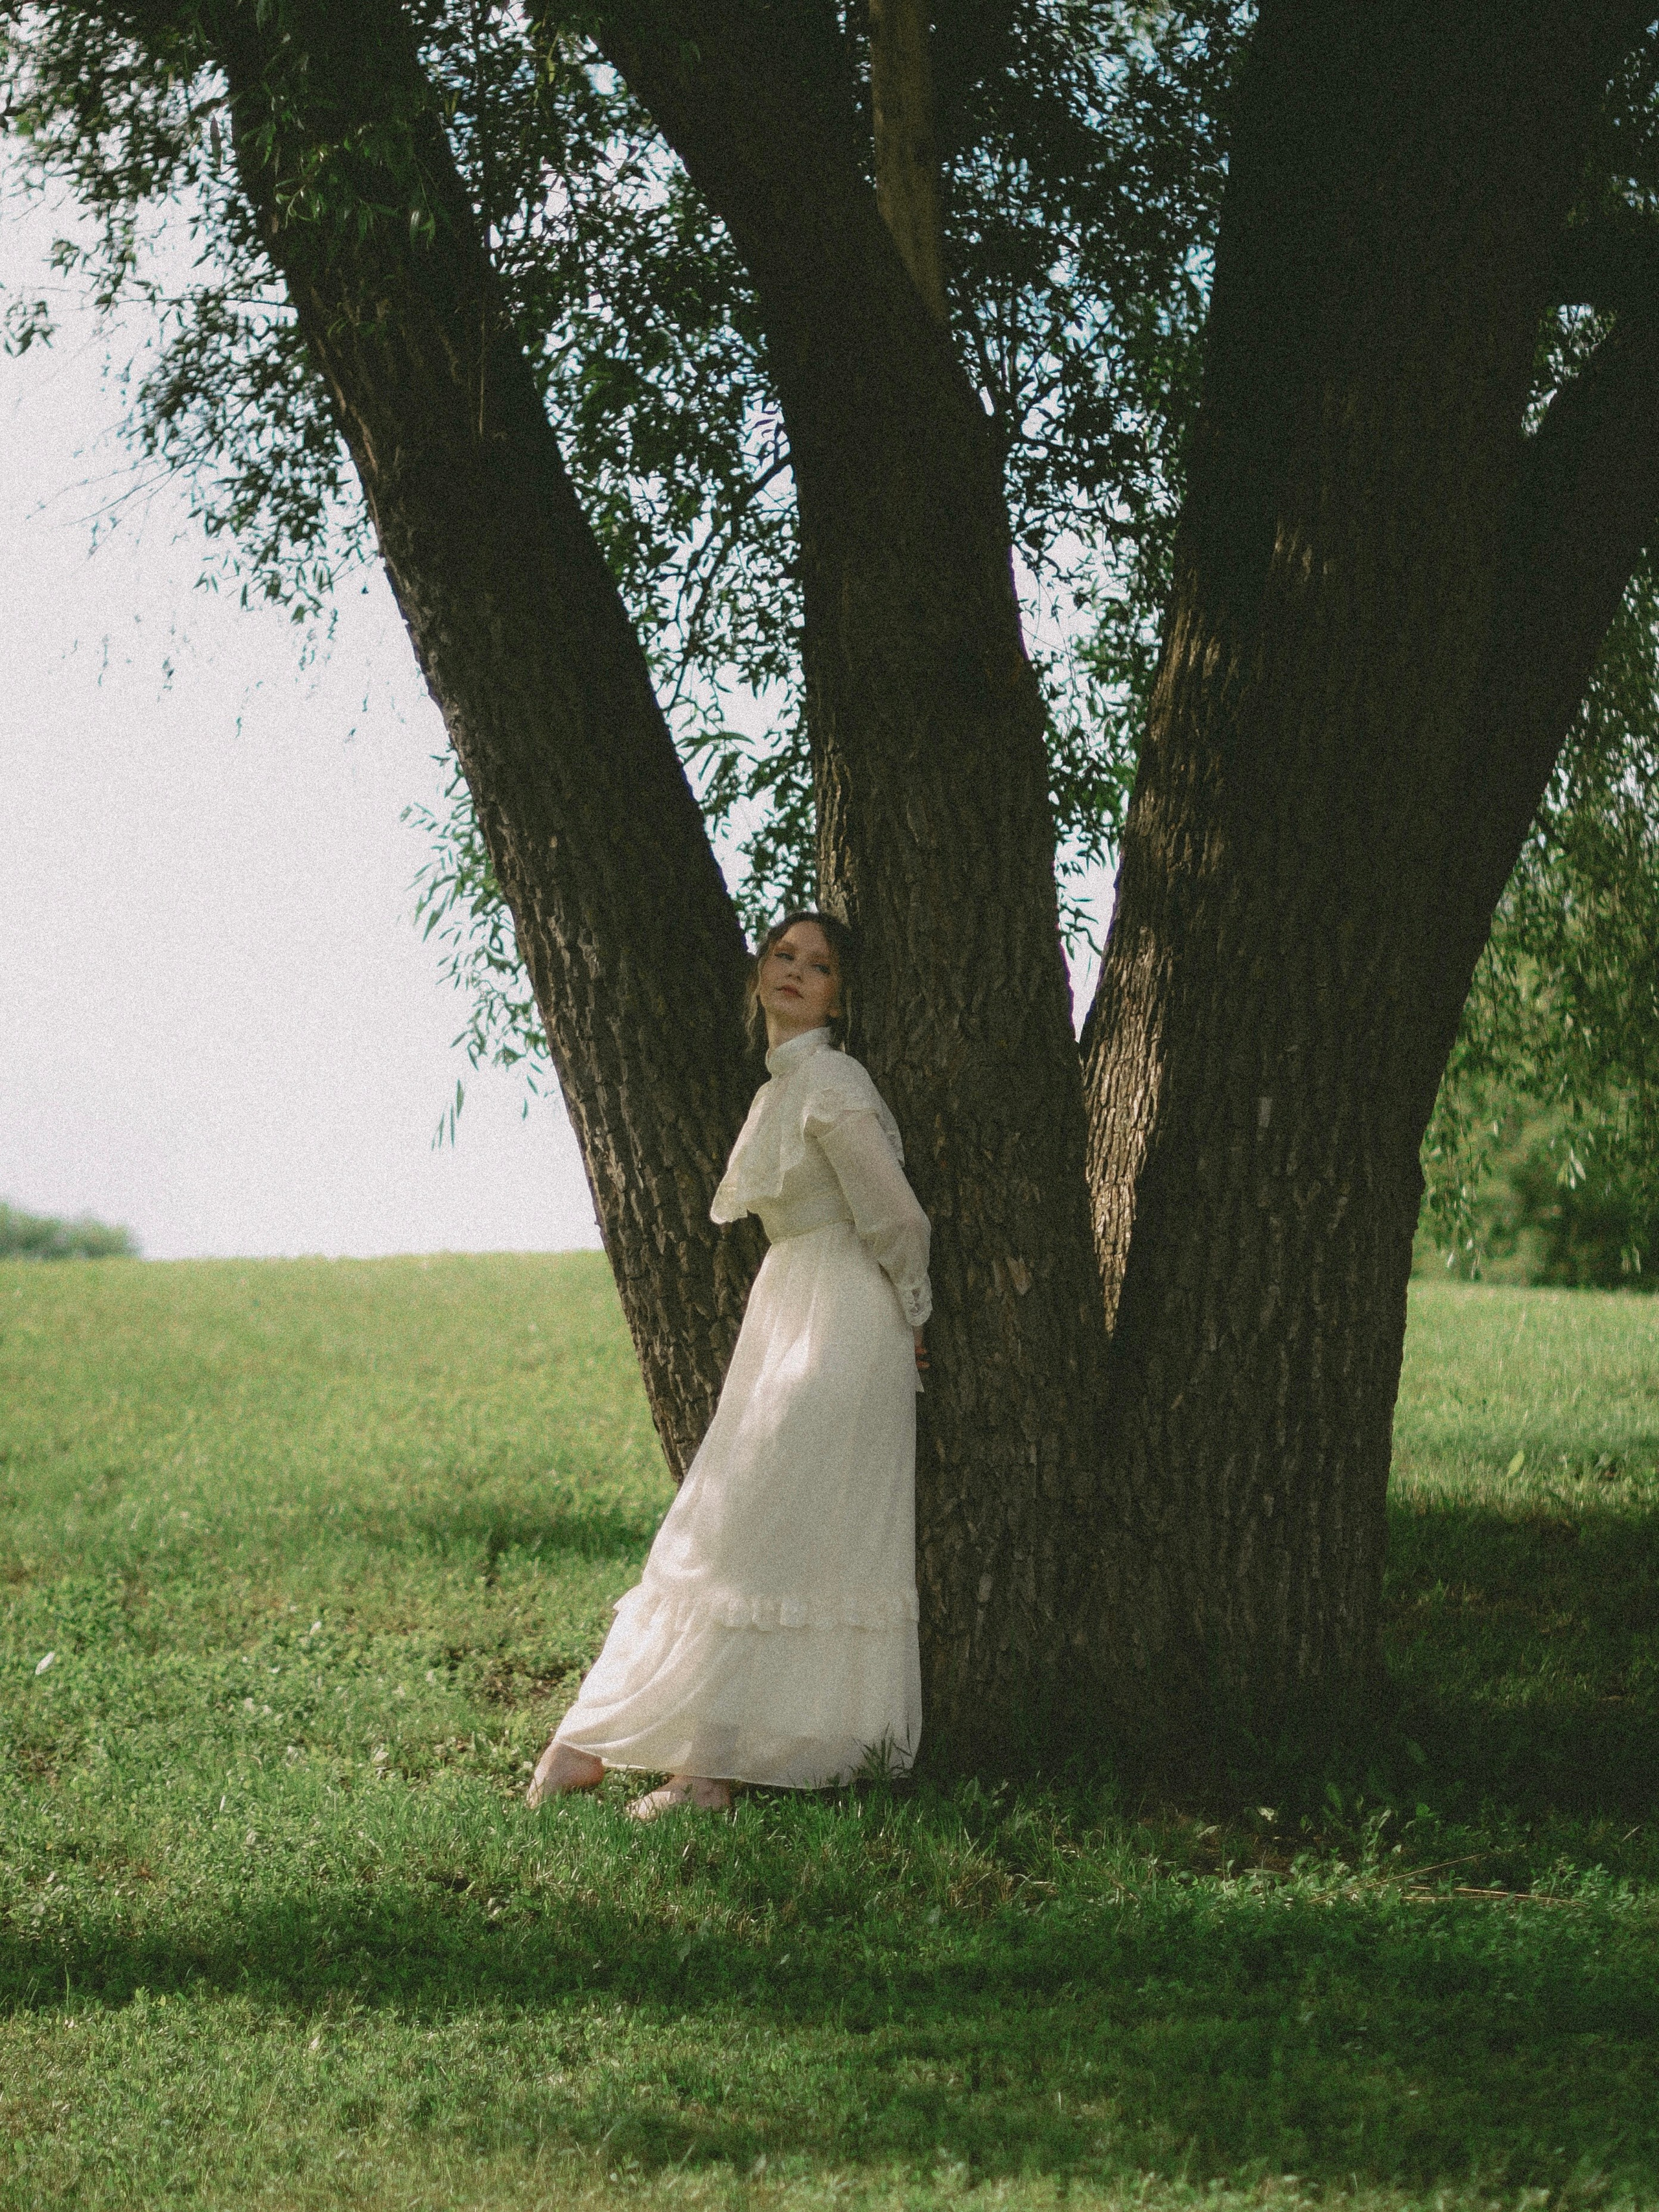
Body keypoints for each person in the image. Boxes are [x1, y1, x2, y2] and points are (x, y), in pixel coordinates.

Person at [527, 911, 932, 1820]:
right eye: (783, 955)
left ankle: (696, 1769)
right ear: (759, 972)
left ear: (842, 993)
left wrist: (913, 1309)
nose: (795, 972)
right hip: (788, 1313)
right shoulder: (774, 1090)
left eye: (819, 965)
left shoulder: (831, 1079)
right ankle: (618, 1746)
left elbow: (898, 1218)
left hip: (842, 1320)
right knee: (729, 1530)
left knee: (762, 1532)